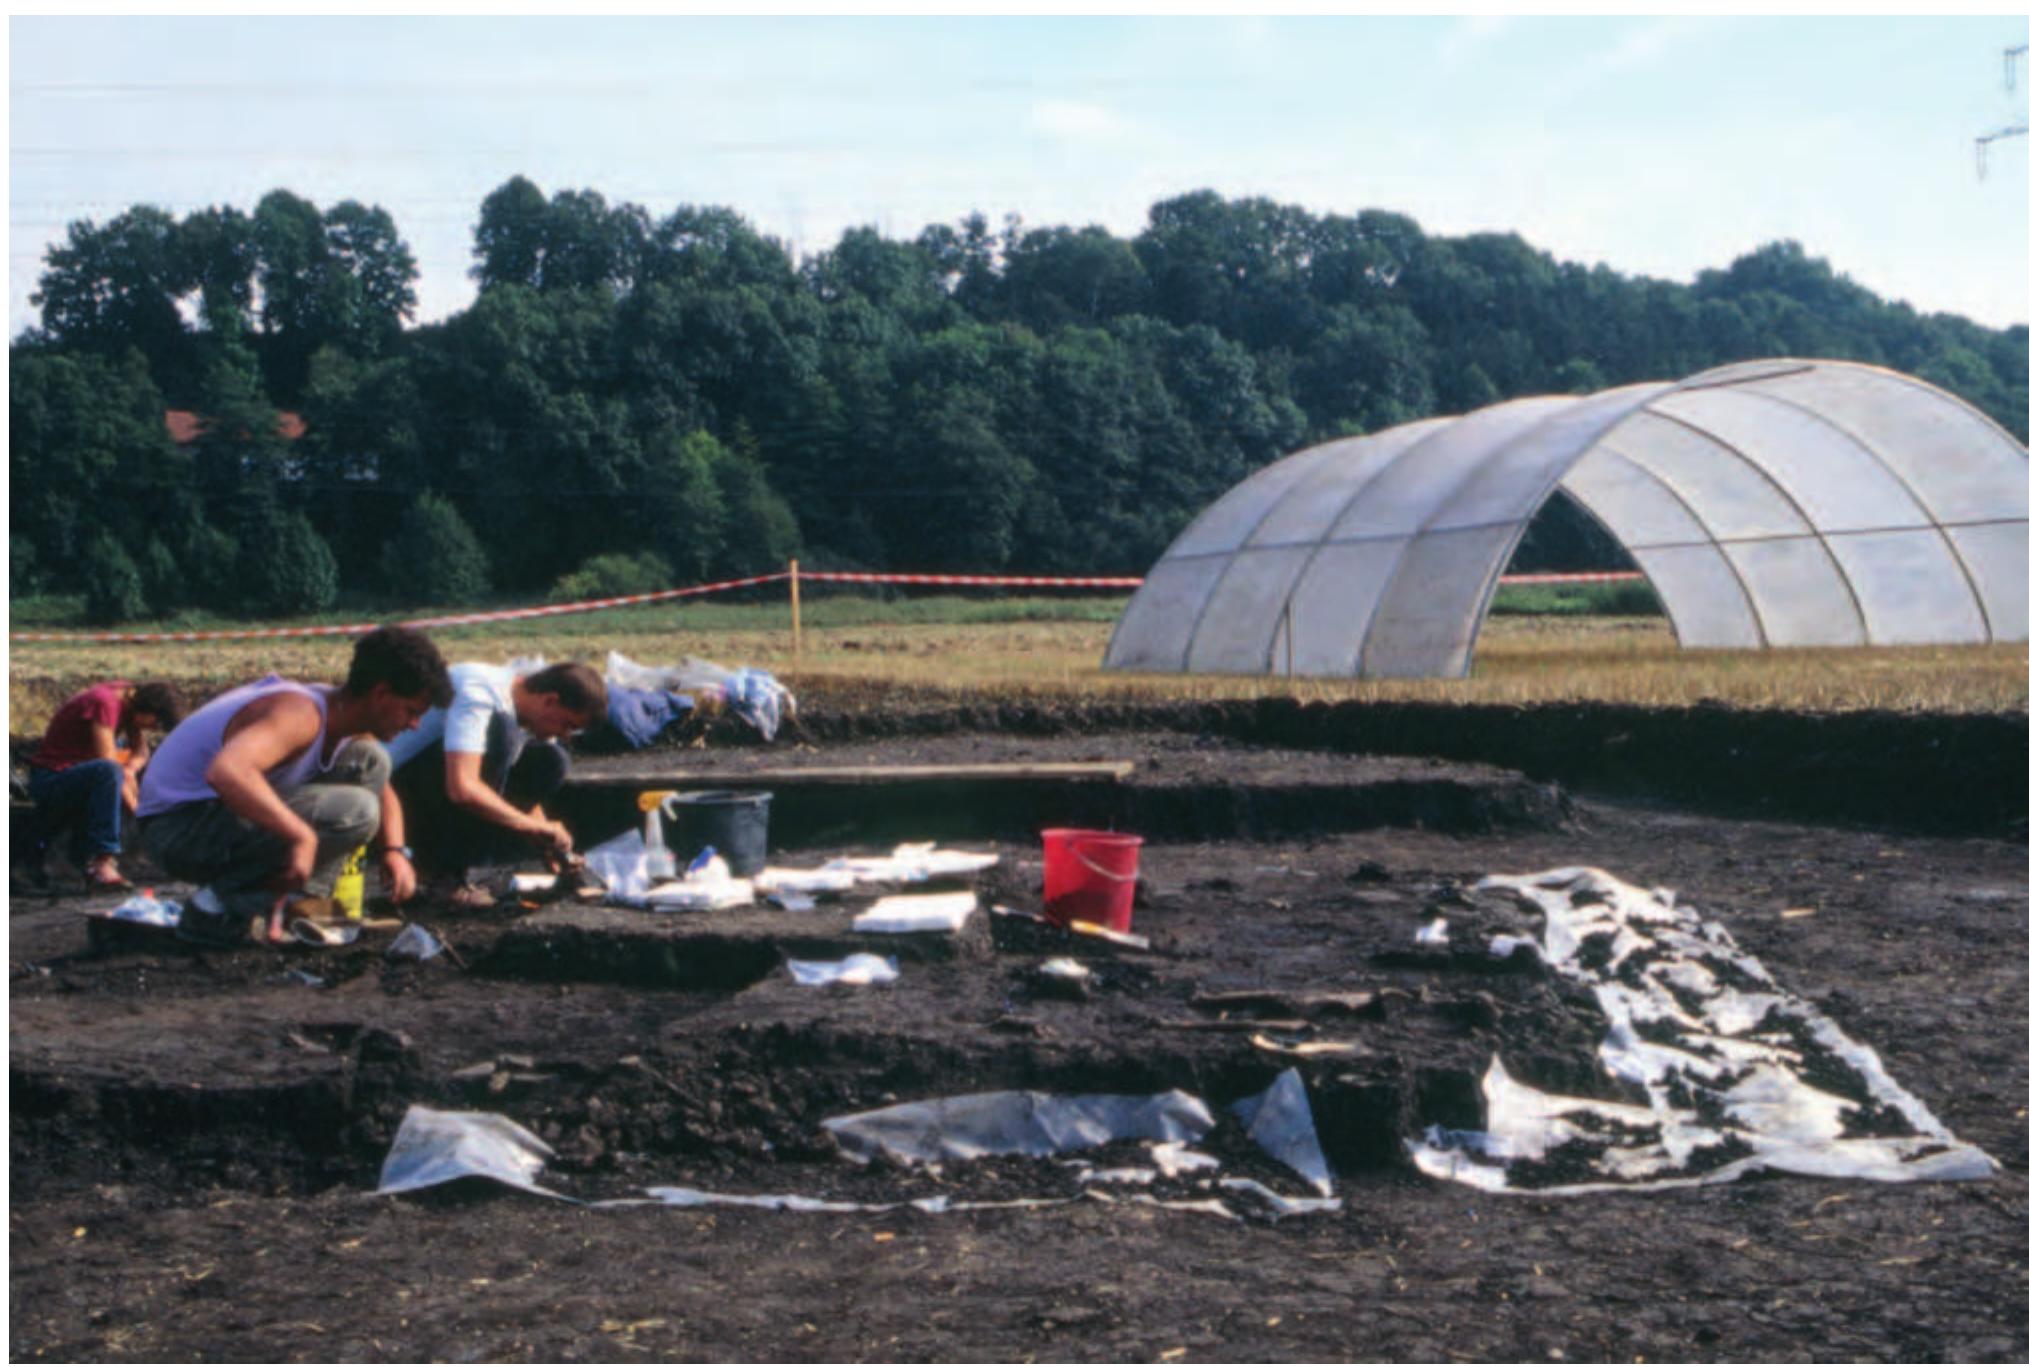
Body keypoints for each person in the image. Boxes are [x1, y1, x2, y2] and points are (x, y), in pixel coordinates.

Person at [136, 625, 452, 946]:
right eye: (411, 712)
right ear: (381, 694)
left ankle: (297, 903)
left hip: (206, 818)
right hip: (176, 829)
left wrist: (394, 852)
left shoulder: (344, 718)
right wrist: (300, 836)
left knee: (371, 761)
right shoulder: (299, 714)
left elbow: (383, 787)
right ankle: (215, 909)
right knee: (356, 811)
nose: (414, 725)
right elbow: (227, 772)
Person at [386, 660, 606, 906]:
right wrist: (530, 827)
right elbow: (462, 788)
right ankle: (440, 871)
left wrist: (551, 843)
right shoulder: (480, 693)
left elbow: (518, 788)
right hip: (387, 790)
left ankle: (453, 864)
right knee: (503, 733)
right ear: (550, 701)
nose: (566, 735)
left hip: (430, 784)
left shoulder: (522, 707)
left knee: (551, 760)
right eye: (568, 724)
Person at [23, 680, 185, 889]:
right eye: (156, 723)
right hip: (52, 778)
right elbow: (108, 763)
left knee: (122, 768)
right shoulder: (105, 703)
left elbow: (141, 752)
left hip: (81, 774)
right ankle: (102, 859)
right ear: (148, 709)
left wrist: (131, 770)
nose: (153, 728)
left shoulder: (128, 699)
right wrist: (139, 813)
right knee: (108, 771)